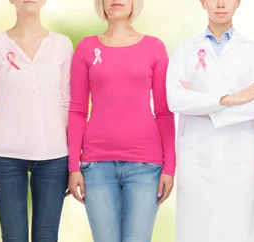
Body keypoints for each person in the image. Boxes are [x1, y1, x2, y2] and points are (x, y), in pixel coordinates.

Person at [66, 0, 176, 241]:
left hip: (146, 168)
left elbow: (164, 111)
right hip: (96, 167)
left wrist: (170, 167)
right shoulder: (86, 49)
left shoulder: (154, 48)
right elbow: (77, 111)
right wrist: (73, 166)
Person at [165, 0, 254, 241]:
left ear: (238, 2)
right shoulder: (184, 50)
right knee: (197, 229)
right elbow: (176, 100)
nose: (221, 4)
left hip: (242, 158)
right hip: (197, 157)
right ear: (202, 2)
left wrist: (200, 104)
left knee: (241, 229)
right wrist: (230, 99)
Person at [0, 0, 72, 241]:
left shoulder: (62, 45)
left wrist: (74, 163)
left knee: (47, 236)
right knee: (12, 236)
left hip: (54, 157)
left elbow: (68, 102)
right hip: (5, 157)